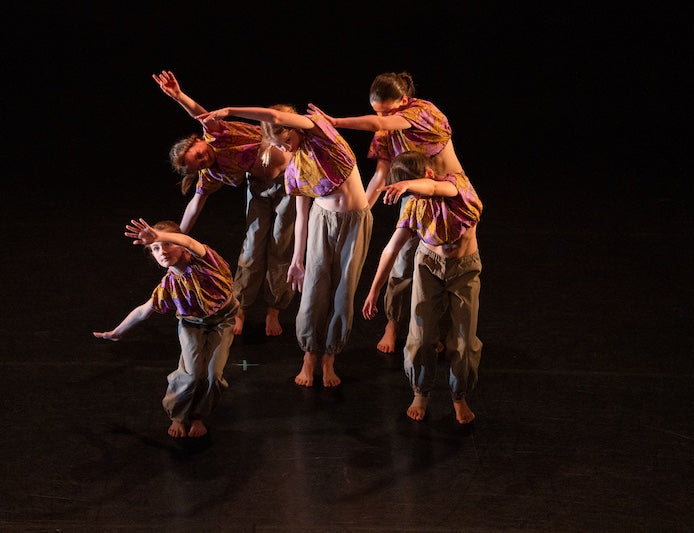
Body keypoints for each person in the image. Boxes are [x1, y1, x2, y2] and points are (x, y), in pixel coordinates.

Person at [196, 103, 372, 388]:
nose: (286, 148)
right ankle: (309, 356)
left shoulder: (320, 132)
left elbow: (275, 116)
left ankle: (330, 357)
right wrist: (297, 260)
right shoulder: (295, 168)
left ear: (295, 127)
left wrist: (228, 111)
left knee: (344, 292)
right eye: (279, 145)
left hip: (355, 220)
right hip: (322, 219)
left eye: (287, 140)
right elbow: (301, 216)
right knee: (313, 289)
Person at [309, 71, 462, 355]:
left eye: (386, 111)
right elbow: (381, 174)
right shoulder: (386, 130)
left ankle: (430, 330)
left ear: (403, 100)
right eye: (377, 111)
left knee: (440, 264)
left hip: (448, 196)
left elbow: (379, 123)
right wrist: (363, 210)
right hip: (413, 196)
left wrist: (334, 122)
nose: (381, 117)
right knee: (401, 261)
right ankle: (393, 323)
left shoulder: (424, 112)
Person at [153, 70, 296, 336]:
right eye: (198, 165)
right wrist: (177, 238)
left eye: (199, 155)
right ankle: (240, 309)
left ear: (198, 141)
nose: (203, 160)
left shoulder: (217, 135)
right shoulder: (211, 173)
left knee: (281, 245)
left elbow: (201, 114)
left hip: (289, 183)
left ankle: (274, 310)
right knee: (252, 249)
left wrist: (178, 95)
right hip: (259, 188)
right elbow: (195, 204)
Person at [361, 151, 483, 424]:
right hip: (428, 266)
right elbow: (390, 250)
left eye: (413, 190)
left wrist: (408, 185)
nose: (414, 197)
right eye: (410, 194)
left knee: (463, 341)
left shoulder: (456, 185)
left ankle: (459, 396)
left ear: (427, 174)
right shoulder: (415, 206)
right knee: (421, 336)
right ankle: (420, 392)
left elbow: (436, 188)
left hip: (464, 270)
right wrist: (374, 290)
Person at [93, 218, 239, 438]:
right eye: (155, 248)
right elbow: (143, 311)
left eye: (168, 244)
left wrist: (159, 236)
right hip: (191, 324)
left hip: (223, 320)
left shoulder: (206, 262)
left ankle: (198, 415)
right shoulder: (169, 286)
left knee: (213, 375)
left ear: (180, 244)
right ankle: (178, 415)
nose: (162, 251)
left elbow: (190, 242)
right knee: (191, 375)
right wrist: (117, 332)